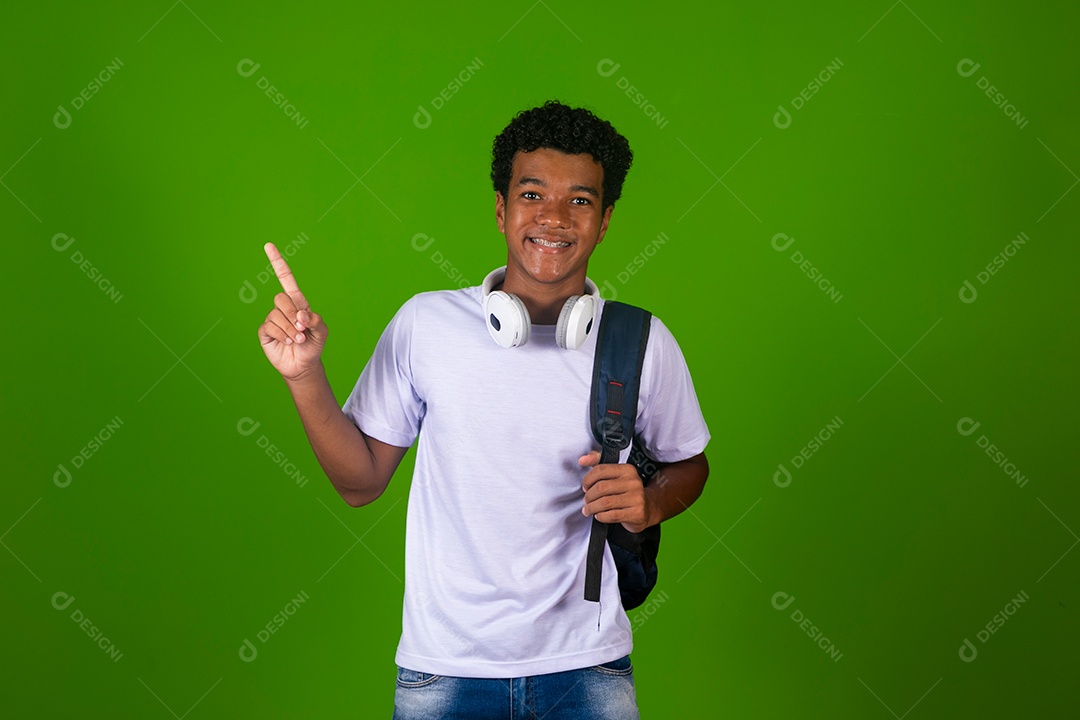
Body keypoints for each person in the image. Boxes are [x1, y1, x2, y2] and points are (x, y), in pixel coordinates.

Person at [258, 100, 710, 719]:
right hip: (444, 671)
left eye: (579, 201)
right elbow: (359, 483)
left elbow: (692, 465)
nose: (553, 218)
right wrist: (305, 376)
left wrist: (651, 502)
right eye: (532, 194)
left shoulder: (639, 340)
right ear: (501, 208)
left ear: (604, 221)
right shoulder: (426, 323)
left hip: (587, 666)